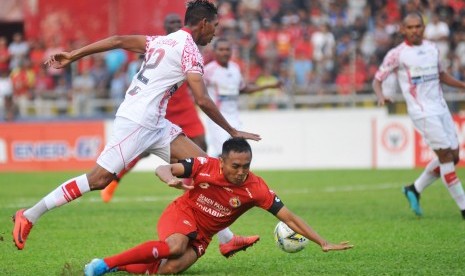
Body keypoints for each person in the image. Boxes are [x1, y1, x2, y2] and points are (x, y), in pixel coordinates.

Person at [12, 0, 261, 253]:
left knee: (206, 167)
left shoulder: (163, 40)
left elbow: (118, 40)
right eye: (215, 26)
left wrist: (74, 55)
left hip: (155, 123)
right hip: (137, 121)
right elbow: (203, 99)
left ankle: (226, 239)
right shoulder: (190, 51)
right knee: (98, 179)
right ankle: (29, 215)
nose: (216, 32)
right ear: (204, 23)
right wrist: (232, 131)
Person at [98, 12, 259, 258]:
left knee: (202, 153)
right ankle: (113, 180)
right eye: (171, 24)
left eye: (177, 23)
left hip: (182, 106)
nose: (176, 26)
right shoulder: (161, 45)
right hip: (157, 111)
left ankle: (223, 233)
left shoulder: (191, 50)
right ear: (168, 28)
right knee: (141, 153)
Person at [83, 138, 353, 276]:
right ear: (222, 161)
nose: (241, 172)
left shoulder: (256, 188)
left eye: (246, 166)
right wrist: (170, 178)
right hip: (182, 213)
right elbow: (163, 167)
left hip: (203, 236)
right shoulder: (204, 166)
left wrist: (322, 242)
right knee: (175, 246)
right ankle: (104, 265)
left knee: (168, 269)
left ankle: (117, 267)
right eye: (235, 166)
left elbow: (289, 218)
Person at [372, 12, 465, 219]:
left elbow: (441, 75)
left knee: (454, 156)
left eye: (418, 26)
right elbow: (377, 79)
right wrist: (381, 96)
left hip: (441, 108)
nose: (415, 30)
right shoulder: (397, 54)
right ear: (403, 29)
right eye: (410, 27)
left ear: (423, 28)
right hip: (422, 112)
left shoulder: (432, 48)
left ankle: (414, 188)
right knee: (446, 158)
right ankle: (463, 207)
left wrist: (462, 85)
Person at [203, 38, 281, 157]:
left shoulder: (235, 68)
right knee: (223, 154)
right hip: (217, 119)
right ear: (214, 52)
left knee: (238, 153)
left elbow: (243, 89)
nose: (225, 52)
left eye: (227, 49)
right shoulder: (208, 70)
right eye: (221, 49)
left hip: (234, 118)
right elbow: (197, 90)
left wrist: (269, 86)